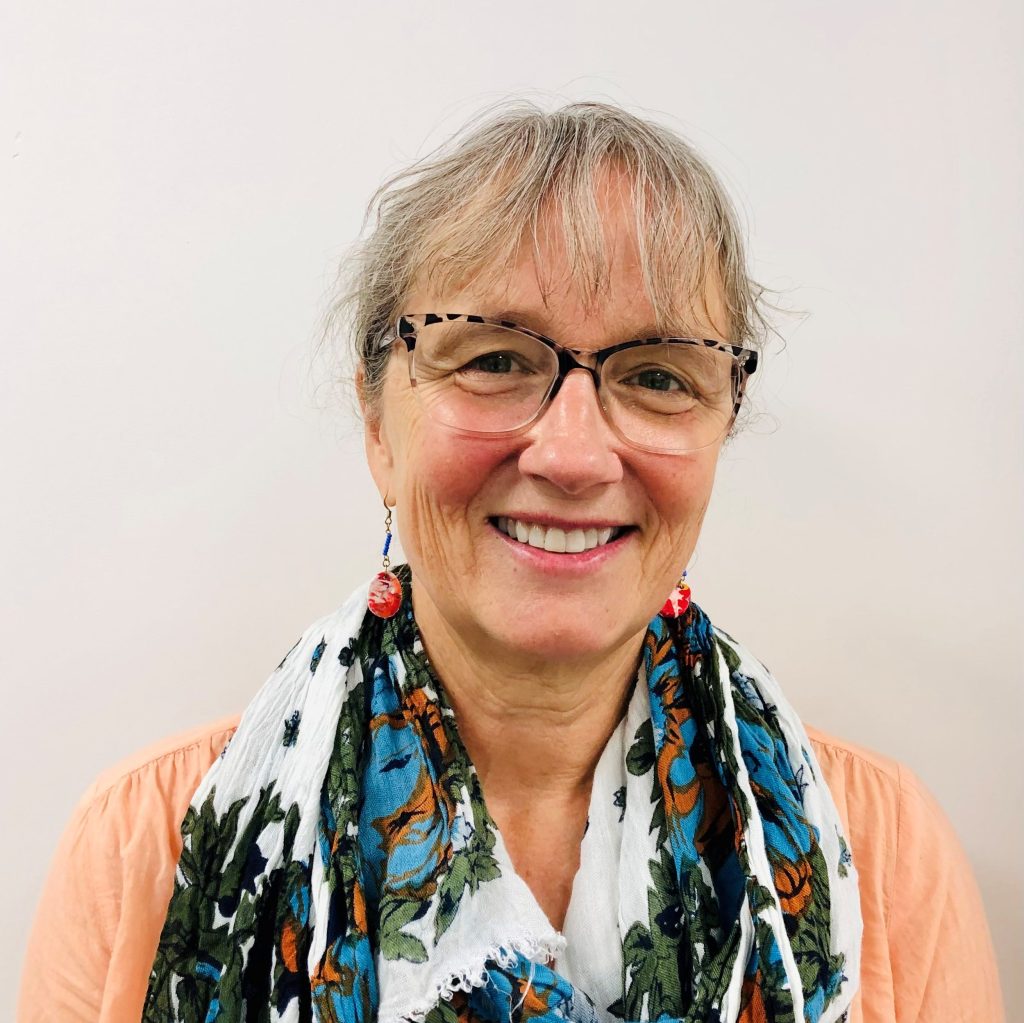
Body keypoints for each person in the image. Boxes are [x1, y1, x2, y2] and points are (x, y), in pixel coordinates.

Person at [18, 101, 1004, 1023]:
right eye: (493, 359)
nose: (574, 456)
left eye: (657, 375)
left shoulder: (885, 851)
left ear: (718, 429)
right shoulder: (146, 846)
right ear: (377, 422)